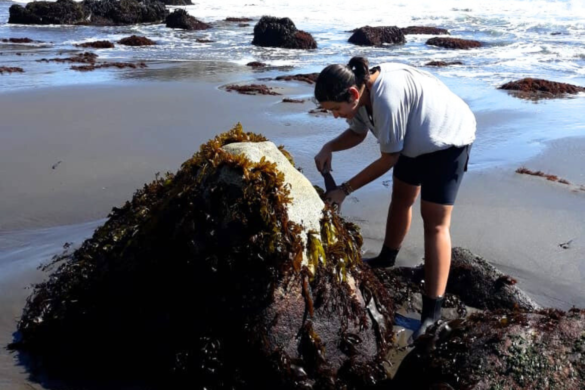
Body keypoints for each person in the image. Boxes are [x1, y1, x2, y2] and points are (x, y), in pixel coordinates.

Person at [313, 57, 476, 341]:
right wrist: (329, 147)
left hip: (447, 139)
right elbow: (357, 132)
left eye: (336, 109)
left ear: (352, 94)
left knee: (435, 222)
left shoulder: (386, 98)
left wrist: (345, 190)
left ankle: (431, 314)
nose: (335, 116)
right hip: (413, 138)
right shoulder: (362, 92)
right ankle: (387, 257)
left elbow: (389, 158)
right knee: (401, 196)